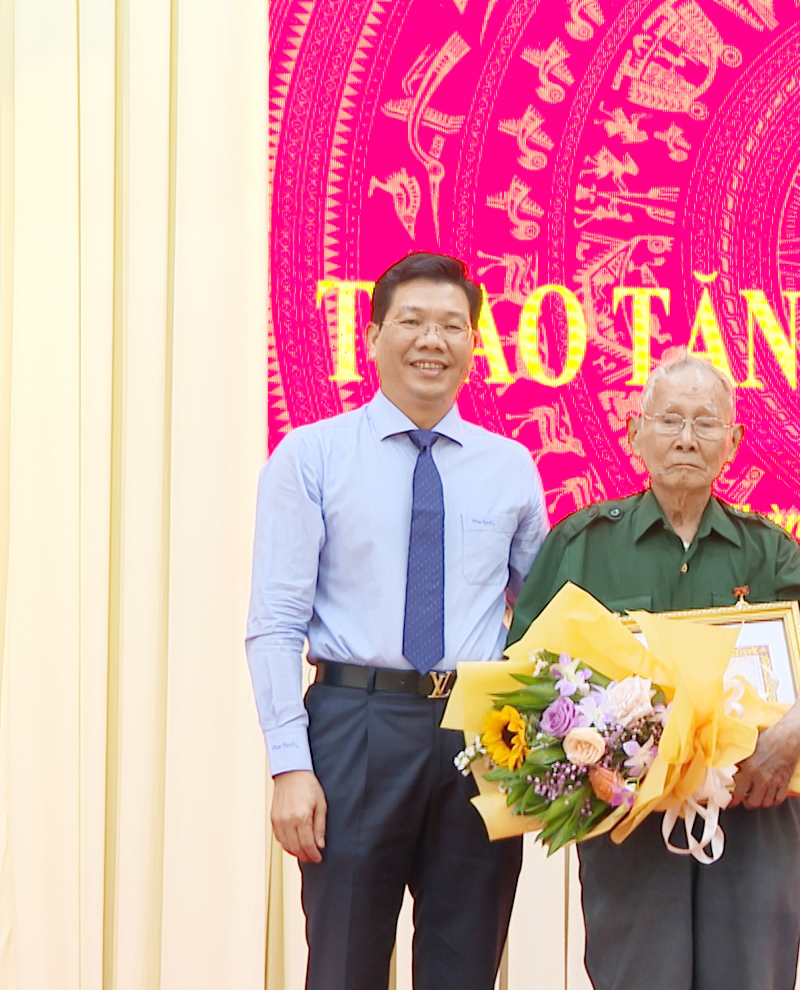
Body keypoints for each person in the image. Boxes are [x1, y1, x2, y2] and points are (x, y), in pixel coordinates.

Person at [506, 350, 800, 990]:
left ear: (733, 442)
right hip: (629, 820)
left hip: (753, 805)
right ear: (636, 433)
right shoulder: (582, 544)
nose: (687, 438)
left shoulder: (767, 548)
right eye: (670, 420)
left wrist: (784, 743)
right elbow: (522, 676)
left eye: (706, 423)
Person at [246, 252, 548, 990]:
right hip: (356, 723)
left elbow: (543, 617)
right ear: (374, 336)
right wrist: (289, 764)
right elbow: (276, 623)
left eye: (452, 325)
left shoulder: (510, 466)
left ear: (474, 345)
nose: (431, 340)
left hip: (478, 733)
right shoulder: (312, 456)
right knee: (345, 964)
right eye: (412, 321)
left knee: (465, 966)